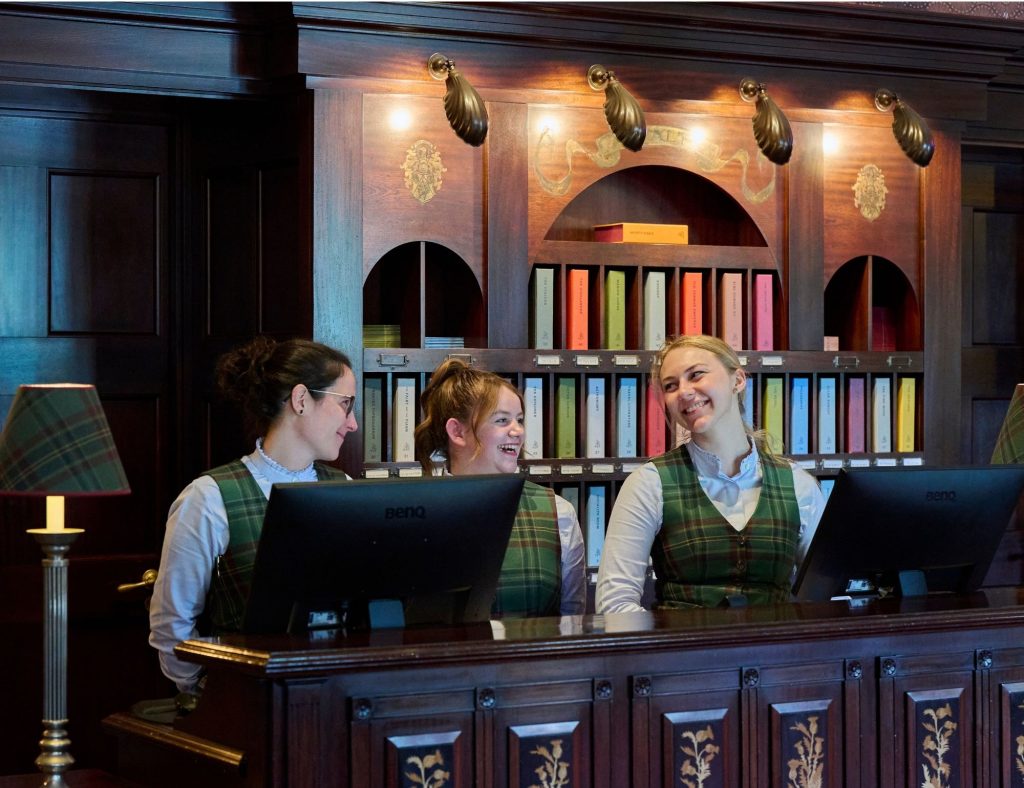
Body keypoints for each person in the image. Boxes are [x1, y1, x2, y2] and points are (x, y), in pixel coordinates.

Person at [149, 336, 358, 697]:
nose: (352, 423)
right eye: (345, 404)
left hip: (338, 699)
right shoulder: (209, 498)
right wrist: (211, 692)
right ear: (301, 400)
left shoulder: (348, 490)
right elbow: (172, 627)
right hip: (244, 702)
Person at [596, 334, 825, 613]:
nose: (684, 392)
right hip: (682, 642)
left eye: (696, 375)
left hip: (775, 642)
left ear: (737, 380)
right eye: (670, 386)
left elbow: (824, 593)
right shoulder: (648, 483)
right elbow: (615, 603)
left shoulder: (798, 484)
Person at [414, 358, 586, 617]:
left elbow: (572, 618)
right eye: (502, 420)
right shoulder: (414, 513)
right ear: (457, 432)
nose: (518, 432)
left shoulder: (558, 513)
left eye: (520, 420)